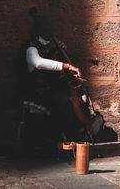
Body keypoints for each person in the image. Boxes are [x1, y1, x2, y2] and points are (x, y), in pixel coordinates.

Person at [16, 7, 82, 143]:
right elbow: (37, 62)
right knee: (63, 102)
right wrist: (65, 66)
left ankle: (71, 135)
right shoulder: (29, 48)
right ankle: (72, 140)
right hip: (33, 93)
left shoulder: (46, 49)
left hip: (47, 92)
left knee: (67, 99)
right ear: (34, 33)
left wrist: (57, 54)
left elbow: (51, 72)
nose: (46, 39)